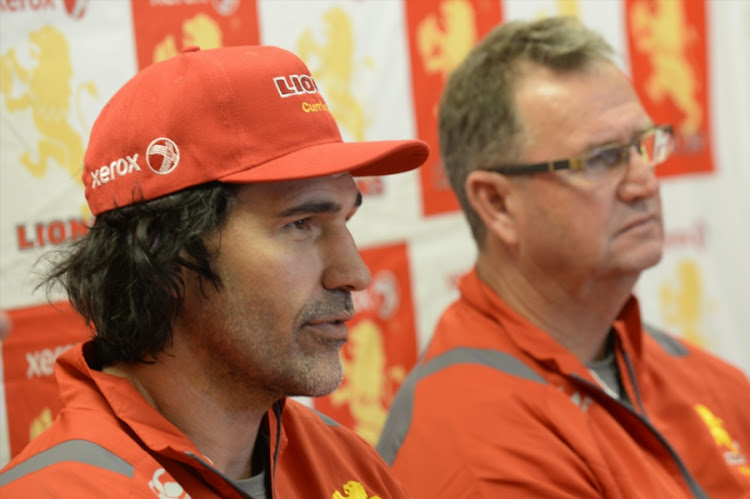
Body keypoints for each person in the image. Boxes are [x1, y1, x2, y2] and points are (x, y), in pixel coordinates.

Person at [0, 45, 428, 498]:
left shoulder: (351, 467)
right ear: (160, 251)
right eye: (300, 224)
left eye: (345, 221)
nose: (356, 274)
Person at [377, 16, 750, 499]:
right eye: (600, 159)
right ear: (497, 203)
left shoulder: (695, 374)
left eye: (643, 145)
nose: (645, 182)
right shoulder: (476, 443)